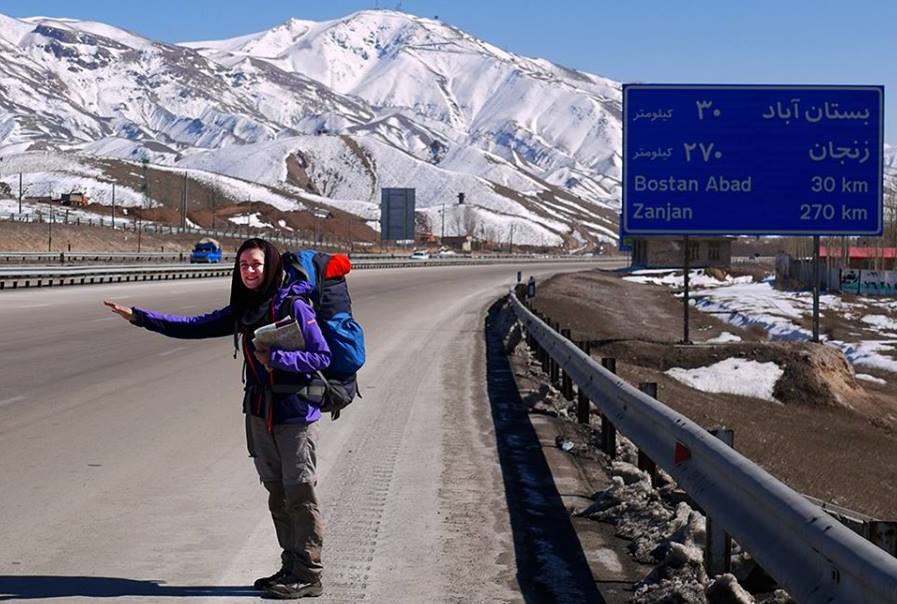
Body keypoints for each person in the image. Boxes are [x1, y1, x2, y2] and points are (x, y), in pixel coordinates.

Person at [105, 238, 330, 599]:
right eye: (243, 265)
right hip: (260, 412)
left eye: (256, 264)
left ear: (270, 266)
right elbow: (193, 325)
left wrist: (278, 360)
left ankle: (309, 573)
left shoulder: (293, 305)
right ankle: (291, 565)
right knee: (277, 494)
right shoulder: (245, 308)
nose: (249, 271)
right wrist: (141, 318)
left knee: (300, 492)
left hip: (295, 413)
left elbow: (321, 357)